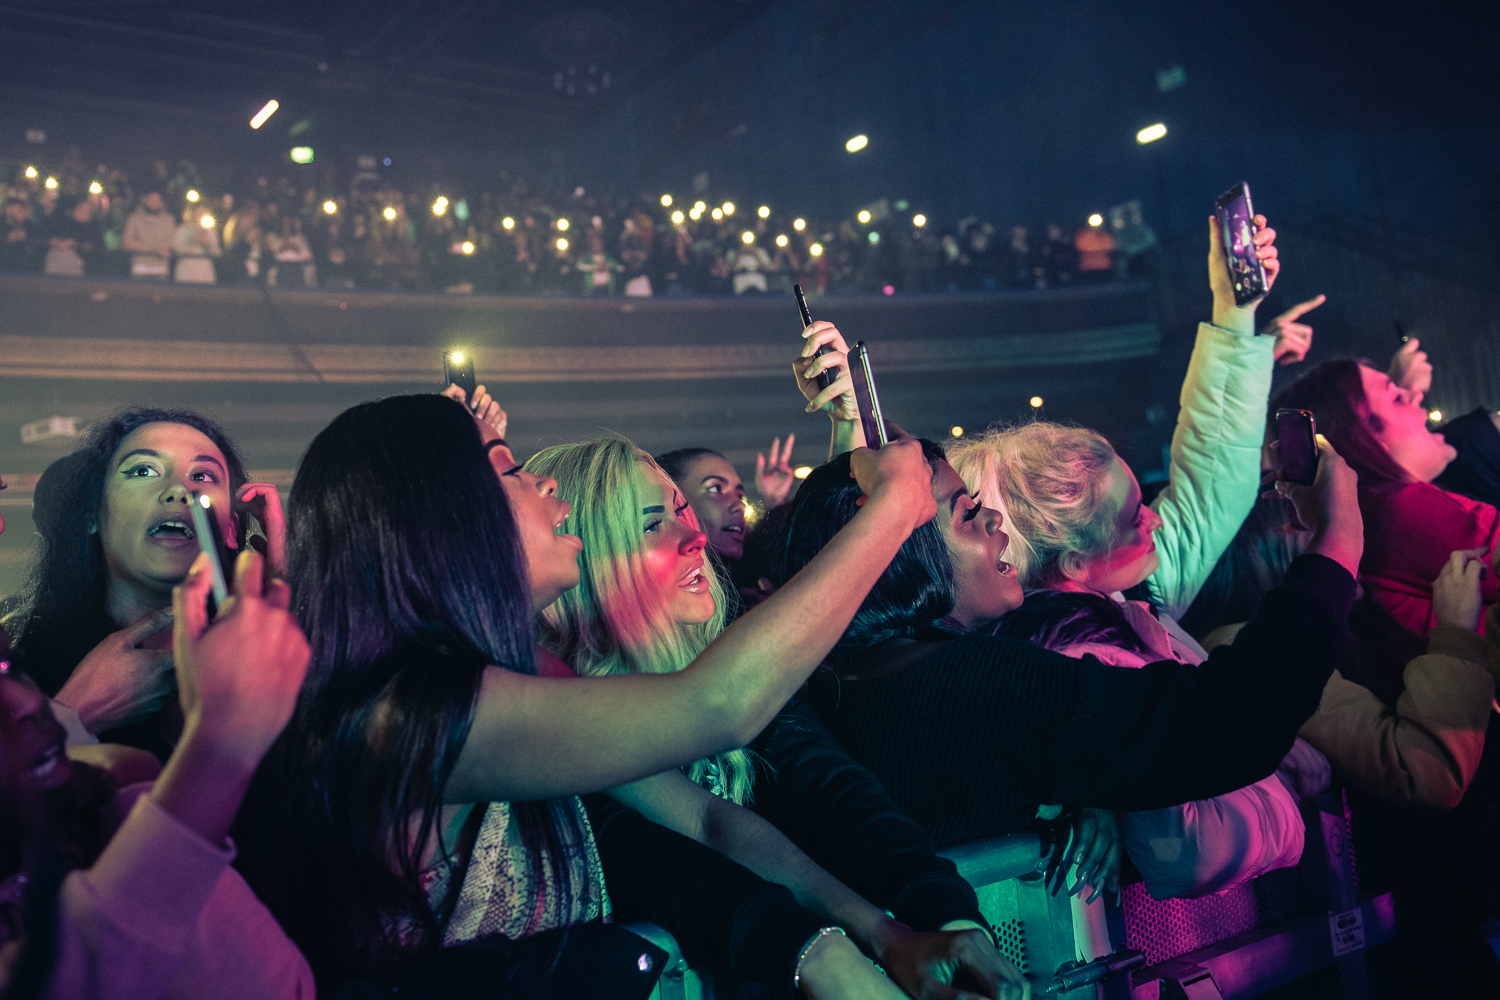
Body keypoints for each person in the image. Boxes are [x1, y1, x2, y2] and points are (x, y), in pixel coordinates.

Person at [235, 393, 939, 992]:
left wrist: (880, 932)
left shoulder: (529, 675)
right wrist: (895, 505)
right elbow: (717, 706)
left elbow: (706, 823)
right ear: (438, 519)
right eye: (509, 472)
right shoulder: (401, 714)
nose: (546, 487)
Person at [0, 548, 315, 1000]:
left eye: (9, 667)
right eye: (142, 471)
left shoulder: (108, 796)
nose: (31, 703)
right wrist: (218, 749)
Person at [1, 410, 284, 754]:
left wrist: (285, 596)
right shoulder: (18, 664)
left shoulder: (270, 660)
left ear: (230, 529)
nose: (180, 489)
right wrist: (75, 715)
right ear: (92, 514)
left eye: (204, 475)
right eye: (143, 470)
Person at [1272, 357, 1500, 637]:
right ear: (1368, 438)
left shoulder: (1369, 520)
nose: (1416, 395)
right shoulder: (1407, 511)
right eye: (1396, 396)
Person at [121, 192, 175, 281]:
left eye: (157, 200)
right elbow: (127, 244)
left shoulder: (169, 220)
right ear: (146, 201)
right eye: (152, 200)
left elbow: (169, 248)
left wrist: (140, 244)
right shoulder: (134, 219)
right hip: (139, 267)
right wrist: (157, 249)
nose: (154, 203)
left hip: (160, 269)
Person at [171, 209, 220, 285]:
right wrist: (193, 242)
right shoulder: (182, 230)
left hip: (204, 273)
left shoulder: (211, 231)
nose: (200, 216)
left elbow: (217, 253)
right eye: (198, 213)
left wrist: (210, 244)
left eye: (202, 213)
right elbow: (177, 251)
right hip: (186, 272)